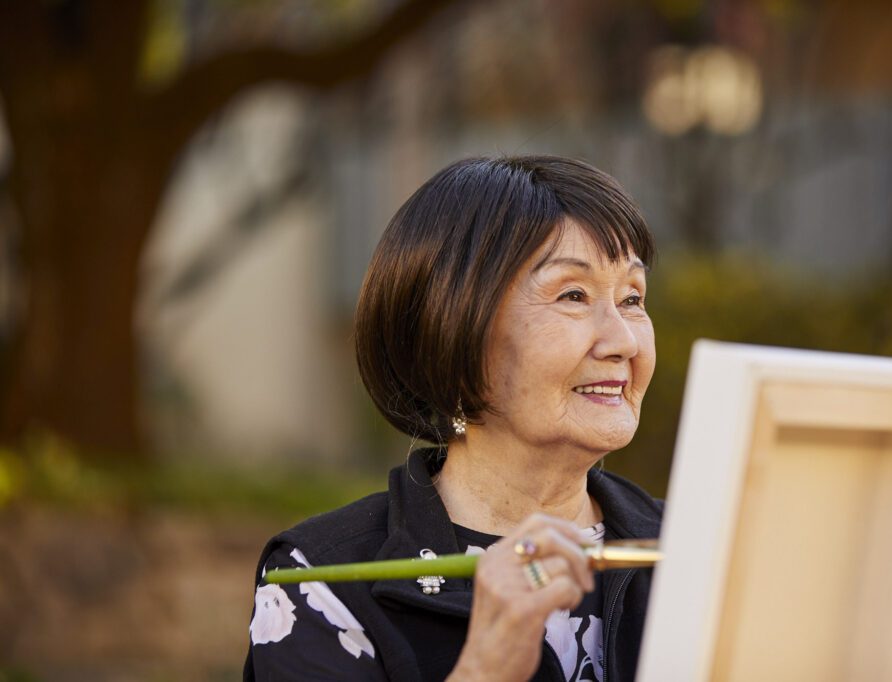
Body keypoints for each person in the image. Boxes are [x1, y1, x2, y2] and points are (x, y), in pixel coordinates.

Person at [244, 156, 661, 681]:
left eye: (632, 298)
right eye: (573, 295)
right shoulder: (321, 580)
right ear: (454, 328)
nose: (624, 340)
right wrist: (486, 666)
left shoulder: (701, 551)